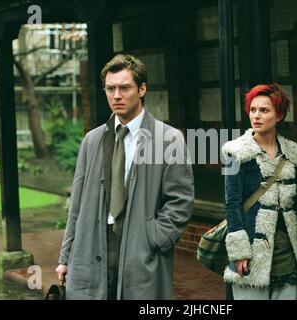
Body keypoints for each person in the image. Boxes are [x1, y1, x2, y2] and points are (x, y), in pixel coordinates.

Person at [55, 54, 194, 300]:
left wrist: (154, 237)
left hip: (142, 247)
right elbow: (76, 205)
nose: (116, 95)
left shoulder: (169, 138)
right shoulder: (92, 140)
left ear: (142, 89)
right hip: (92, 246)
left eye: (124, 88)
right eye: (110, 89)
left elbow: (181, 201)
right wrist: (65, 257)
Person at [221, 83, 297, 300]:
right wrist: (239, 252)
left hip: (286, 253)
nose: (256, 116)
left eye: (264, 110)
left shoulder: (293, 153)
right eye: (253, 110)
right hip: (251, 253)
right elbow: (232, 204)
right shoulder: (234, 153)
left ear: (279, 115)